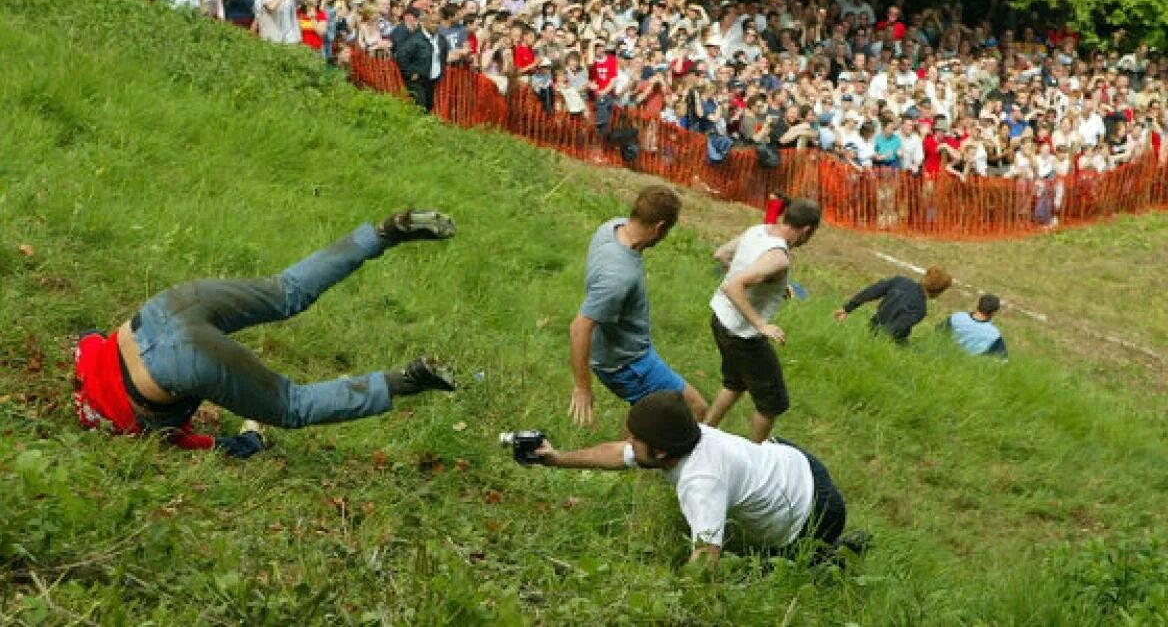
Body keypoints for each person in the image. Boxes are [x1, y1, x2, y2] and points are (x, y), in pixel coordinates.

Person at [72, 210, 459, 459]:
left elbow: (226, 447)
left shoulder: (131, 432)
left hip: (179, 364)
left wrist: (251, 435)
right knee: (285, 290)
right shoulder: (85, 366)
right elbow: (87, 336)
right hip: (163, 309)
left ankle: (406, 380)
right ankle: (382, 234)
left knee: (293, 405)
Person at [536, 391, 853, 564]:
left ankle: (835, 552)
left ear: (660, 453)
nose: (628, 443)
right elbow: (617, 453)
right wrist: (555, 458)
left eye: (636, 439)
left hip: (815, 511)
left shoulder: (701, 482)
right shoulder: (681, 435)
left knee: (780, 567)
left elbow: (705, 558)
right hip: (794, 462)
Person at [568, 185, 708, 427]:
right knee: (695, 409)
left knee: (649, 411)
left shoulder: (612, 227)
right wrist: (582, 387)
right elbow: (580, 327)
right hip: (626, 363)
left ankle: (633, 452)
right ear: (660, 227)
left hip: (628, 350)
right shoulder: (619, 277)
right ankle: (632, 457)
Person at [705, 198, 822, 442]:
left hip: (719, 318)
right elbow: (734, 285)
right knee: (772, 403)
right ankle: (755, 457)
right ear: (807, 231)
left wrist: (772, 288)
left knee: (735, 383)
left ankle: (704, 433)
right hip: (742, 334)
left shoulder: (758, 230)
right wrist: (761, 325)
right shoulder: (778, 258)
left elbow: (722, 254)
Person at [833, 267, 953, 343]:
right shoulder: (920, 309)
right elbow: (893, 331)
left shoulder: (900, 281)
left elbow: (871, 292)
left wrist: (847, 309)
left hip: (872, 326)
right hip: (886, 341)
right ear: (940, 291)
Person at [396, 11, 449, 111]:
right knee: (420, 106)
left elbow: (443, 56)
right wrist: (410, 72)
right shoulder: (415, 39)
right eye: (433, 22)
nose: (435, 25)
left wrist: (441, 72)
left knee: (429, 105)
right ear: (425, 23)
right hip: (418, 79)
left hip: (432, 79)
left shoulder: (441, 40)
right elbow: (401, 56)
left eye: (438, 23)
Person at [941, 294, 1008, 357]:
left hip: (945, 356)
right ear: (993, 313)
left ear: (978, 305)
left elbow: (937, 334)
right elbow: (1002, 360)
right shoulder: (994, 334)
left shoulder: (957, 317)